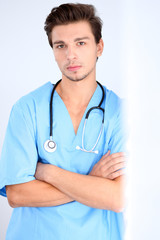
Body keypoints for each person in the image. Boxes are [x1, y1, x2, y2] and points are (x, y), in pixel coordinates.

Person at [0, 3, 126, 240]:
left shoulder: (121, 113)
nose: (71, 55)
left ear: (99, 47)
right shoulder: (27, 109)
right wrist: (93, 182)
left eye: (81, 43)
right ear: (53, 51)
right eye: (61, 46)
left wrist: (48, 173)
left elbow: (118, 197)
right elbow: (17, 194)